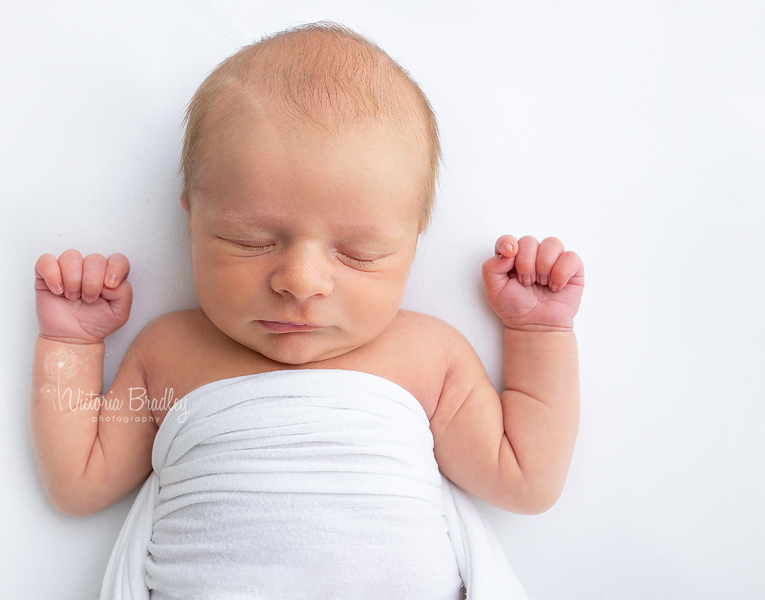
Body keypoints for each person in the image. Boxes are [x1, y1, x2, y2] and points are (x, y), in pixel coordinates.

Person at [31, 22, 583, 598]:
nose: (300, 282)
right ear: (191, 216)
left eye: (358, 253)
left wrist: (538, 333)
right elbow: (78, 482)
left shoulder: (427, 357)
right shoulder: (168, 354)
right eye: (250, 241)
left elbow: (526, 479)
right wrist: (71, 347)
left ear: (415, 240)